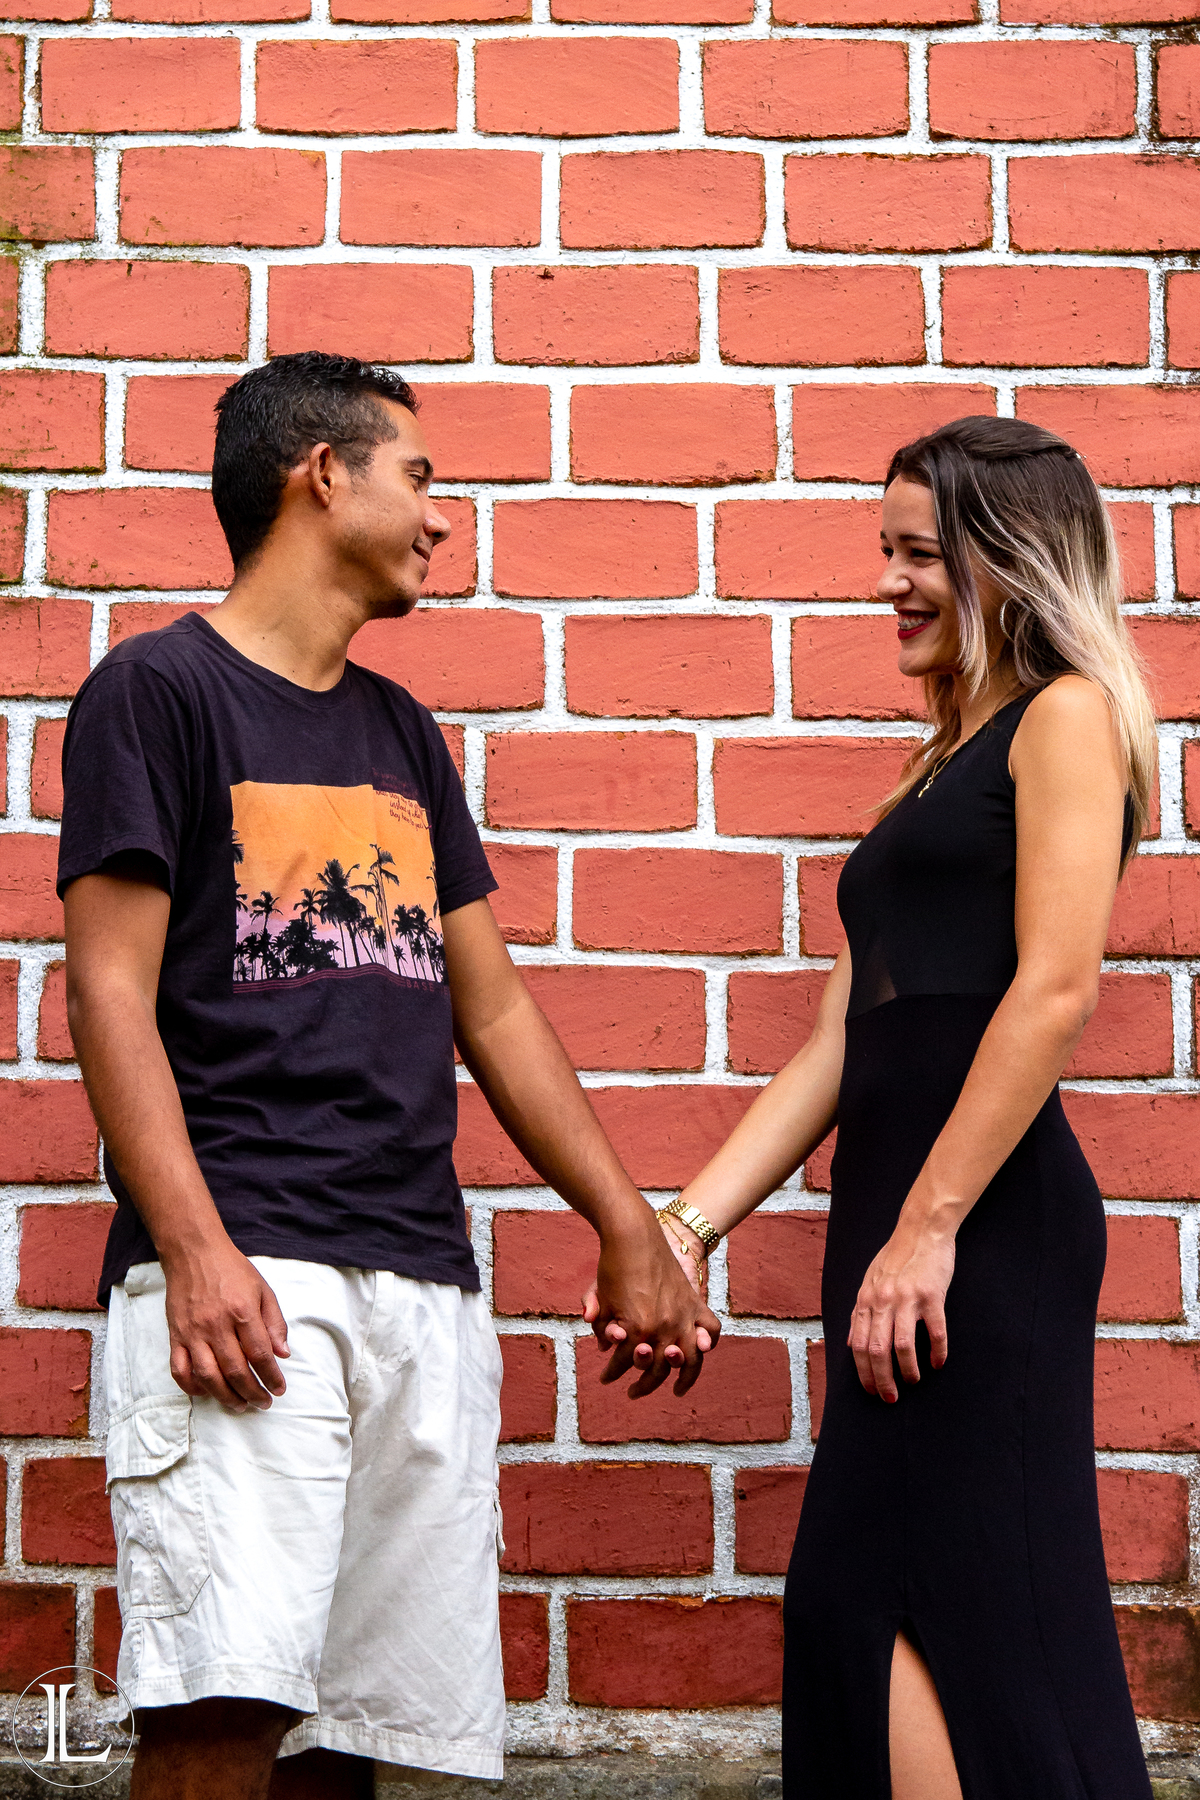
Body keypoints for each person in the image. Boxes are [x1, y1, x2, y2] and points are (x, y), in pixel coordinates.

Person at [59, 351, 719, 1800]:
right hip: (249, 1271)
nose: (439, 513)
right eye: (418, 476)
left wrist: (630, 1224)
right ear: (322, 475)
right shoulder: (156, 692)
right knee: (222, 1710)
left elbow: (494, 1007)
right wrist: (193, 1249)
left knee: (356, 1739)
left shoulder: (401, 731)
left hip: (419, 1279)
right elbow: (105, 992)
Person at [635, 417, 1158, 1798]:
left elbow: (1055, 989)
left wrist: (929, 1230)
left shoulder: (1065, 718)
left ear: (1008, 561)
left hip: (978, 1234)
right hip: (903, 1231)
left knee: (974, 1610)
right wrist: (683, 1231)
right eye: (887, 551)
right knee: (866, 1608)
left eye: (919, 554)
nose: (890, 582)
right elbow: (837, 1040)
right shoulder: (940, 763)